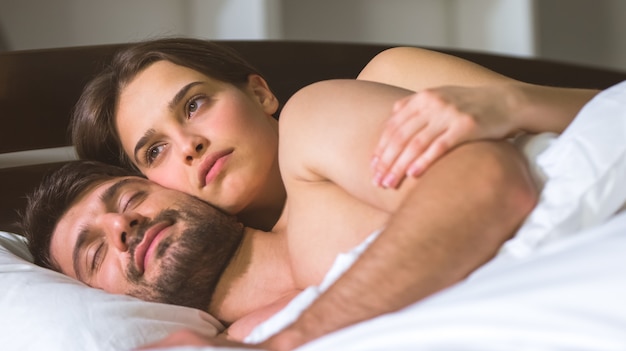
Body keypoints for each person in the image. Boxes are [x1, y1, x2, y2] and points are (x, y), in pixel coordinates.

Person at [25, 78, 538, 351]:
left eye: (130, 199)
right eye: (94, 253)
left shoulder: (312, 147)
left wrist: (297, 336)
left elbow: (487, 179)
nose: (123, 228)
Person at [70, 38, 597, 230]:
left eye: (195, 104)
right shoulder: (249, 282)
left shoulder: (390, 76)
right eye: (155, 149)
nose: (188, 146)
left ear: (259, 94)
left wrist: (515, 102)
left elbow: (607, 117)